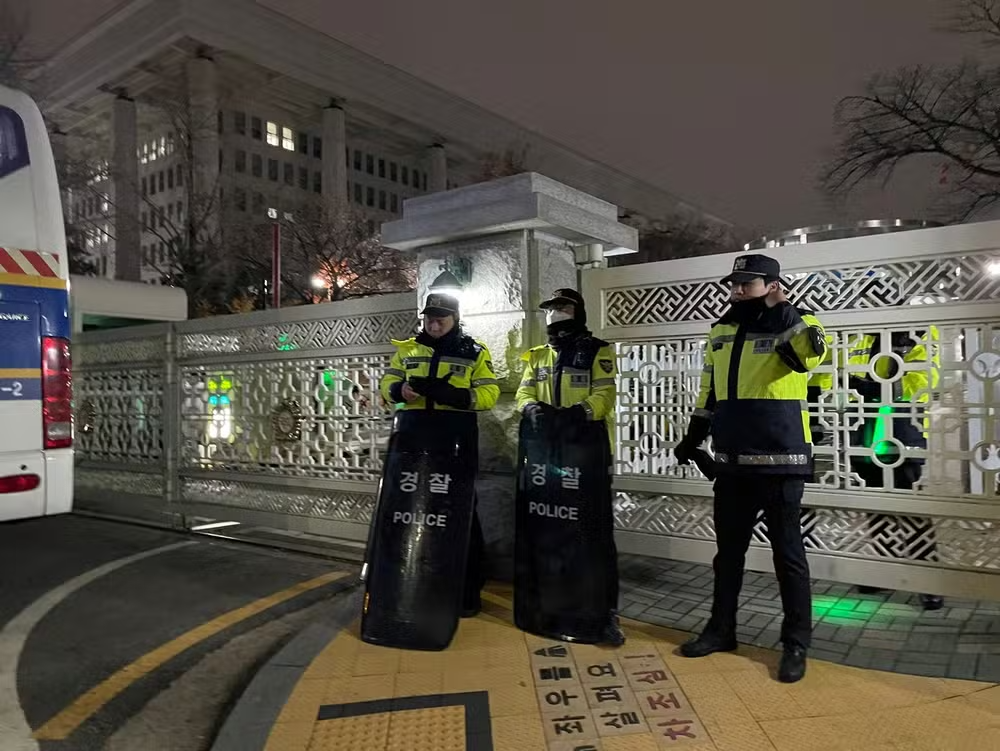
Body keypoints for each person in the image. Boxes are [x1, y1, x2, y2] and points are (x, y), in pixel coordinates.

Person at [674, 254, 827, 683]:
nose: (739, 290)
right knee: (728, 556)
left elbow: (808, 358)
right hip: (733, 462)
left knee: (788, 557)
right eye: (734, 283)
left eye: (748, 282)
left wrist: (782, 310)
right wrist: (693, 435)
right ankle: (721, 630)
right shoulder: (721, 329)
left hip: (782, 461)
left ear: (773, 284)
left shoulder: (801, 321)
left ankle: (796, 643)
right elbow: (710, 390)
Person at [378, 291, 500, 617]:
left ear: (454, 319)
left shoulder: (474, 351)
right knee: (412, 512)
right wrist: (399, 390)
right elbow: (388, 382)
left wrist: (458, 396)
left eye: (440, 318)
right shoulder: (408, 349)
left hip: (454, 440)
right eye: (429, 317)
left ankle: (466, 593)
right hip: (415, 437)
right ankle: (414, 584)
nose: (433, 323)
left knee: (459, 514)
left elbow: (489, 393)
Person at [515, 288, 624, 646]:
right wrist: (532, 409)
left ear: (576, 311)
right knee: (548, 530)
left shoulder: (597, 350)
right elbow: (523, 393)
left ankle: (603, 612)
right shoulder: (538, 355)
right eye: (550, 309)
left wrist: (576, 415)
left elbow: (604, 396)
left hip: (585, 455)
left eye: (562, 308)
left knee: (591, 533)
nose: (555, 314)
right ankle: (547, 605)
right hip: (547, 457)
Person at [844, 327, 943, 610]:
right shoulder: (860, 334)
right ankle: (883, 570)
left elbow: (924, 380)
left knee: (912, 510)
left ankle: (928, 581)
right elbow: (845, 376)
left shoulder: (918, 334)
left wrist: (876, 387)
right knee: (876, 507)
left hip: (902, 433)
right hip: (864, 432)